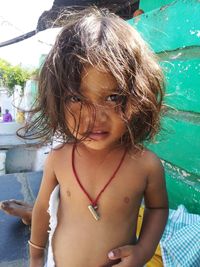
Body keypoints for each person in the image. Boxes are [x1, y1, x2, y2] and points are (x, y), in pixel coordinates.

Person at [2, 7, 169, 267]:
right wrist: (35, 256)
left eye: (113, 98)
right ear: (57, 99)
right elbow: (43, 209)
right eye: (77, 98)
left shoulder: (146, 165)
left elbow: (157, 209)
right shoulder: (59, 158)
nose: (94, 118)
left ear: (139, 96)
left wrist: (143, 251)